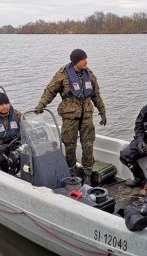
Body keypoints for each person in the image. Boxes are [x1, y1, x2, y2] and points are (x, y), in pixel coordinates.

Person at [34, 49, 106, 182]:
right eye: (83, 59)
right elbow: (50, 91)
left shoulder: (89, 75)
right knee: (69, 144)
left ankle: (87, 173)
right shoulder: (62, 74)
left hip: (87, 116)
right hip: (69, 116)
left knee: (88, 144)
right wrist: (41, 105)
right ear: (75, 61)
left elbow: (96, 96)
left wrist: (102, 112)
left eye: (86, 58)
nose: (86, 61)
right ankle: (71, 171)